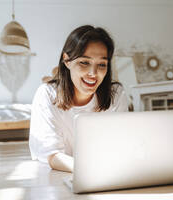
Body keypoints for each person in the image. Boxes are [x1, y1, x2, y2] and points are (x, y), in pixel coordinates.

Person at [29, 25, 129, 173]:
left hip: (106, 172)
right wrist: (92, 170)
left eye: (101, 64)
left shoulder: (116, 94)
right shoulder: (47, 95)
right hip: (62, 175)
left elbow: (122, 146)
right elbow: (53, 156)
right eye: (84, 62)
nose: (93, 73)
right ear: (67, 60)